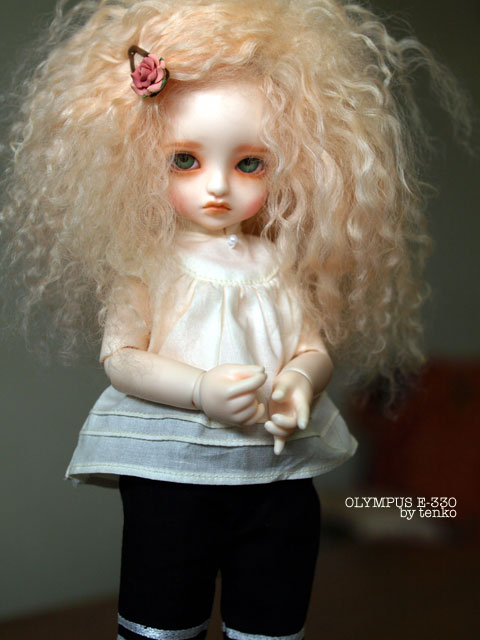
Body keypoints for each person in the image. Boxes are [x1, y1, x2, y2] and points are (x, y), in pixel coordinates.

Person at [1, 1, 470, 638]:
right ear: (139, 160)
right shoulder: (145, 264)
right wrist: (200, 389)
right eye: (185, 160)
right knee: (162, 615)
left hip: (276, 471)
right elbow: (122, 358)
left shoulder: (280, 263)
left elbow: (311, 346)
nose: (218, 186)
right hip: (173, 474)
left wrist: (301, 381)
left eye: (249, 163)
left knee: (272, 611)